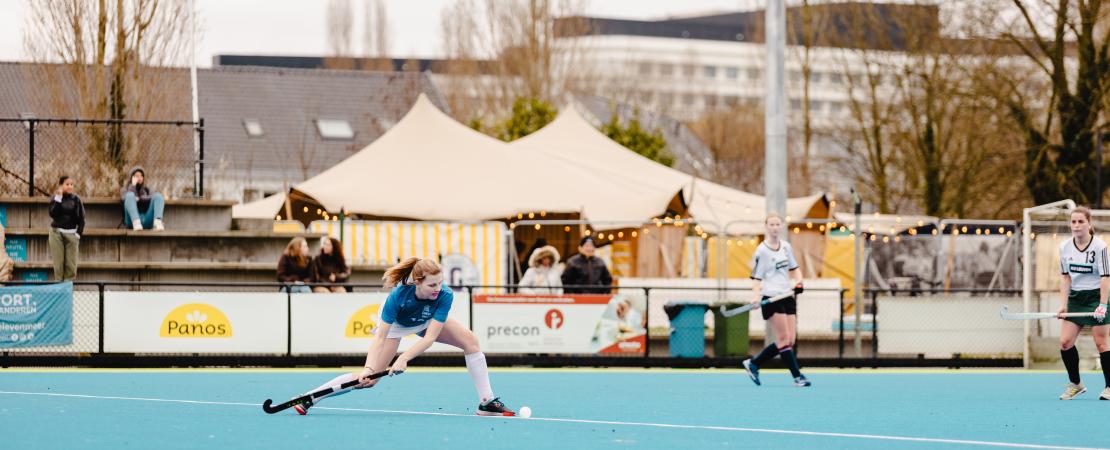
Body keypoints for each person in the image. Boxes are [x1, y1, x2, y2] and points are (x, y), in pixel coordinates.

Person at [288, 257, 516, 416]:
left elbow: (429, 338)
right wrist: (369, 368)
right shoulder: (398, 296)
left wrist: (404, 357)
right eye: (432, 284)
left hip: (425, 320)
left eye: (440, 282)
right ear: (417, 282)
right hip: (397, 325)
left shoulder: (443, 294)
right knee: (369, 381)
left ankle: (486, 401)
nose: (438, 288)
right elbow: (380, 338)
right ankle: (310, 397)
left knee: (471, 342)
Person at [742, 213, 809, 387]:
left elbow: (795, 269)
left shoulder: (786, 247)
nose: (774, 227)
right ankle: (797, 377)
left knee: (789, 340)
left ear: (781, 226)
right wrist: (756, 297)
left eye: (777, 224)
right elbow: (756, 278)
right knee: (784, 338)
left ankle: (753, 363)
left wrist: (799, 281)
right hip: (772, 298)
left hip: (787, 296)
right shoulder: (761, 251)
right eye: (771, 224)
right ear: (766, 226)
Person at [1055, 206, 1110, 400]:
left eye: (1081, 221)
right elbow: (1065, 278)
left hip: (1096, 297)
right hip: (1076, 299)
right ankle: (1076, 384)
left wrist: (1102, 305)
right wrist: (1063, 305)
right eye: (1073, 222)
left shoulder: (1100, 247)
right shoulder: (1064, 247)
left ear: (1089, 224)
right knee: (1065, 342)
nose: (1076, 225)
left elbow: (1105, 278)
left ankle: (1109, 387)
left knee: (1101, 343)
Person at [48, 176, 84, 281]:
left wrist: (78, 234)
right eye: (67, 184)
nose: (70, 186)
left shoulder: (76, 199)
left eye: (71, 184)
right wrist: (58, 199)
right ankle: (59, 290)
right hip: (56, 234)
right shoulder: (56, 198)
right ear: (61, 185)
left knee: (71, 265)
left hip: (72, 235)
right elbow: (53, 214)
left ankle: (68, 289)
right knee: (58, 265)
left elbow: (82, 218)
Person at [121, 166, 165, 231]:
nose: (140, 178)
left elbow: (153, 198)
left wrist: (139, 199)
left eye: (141, 176)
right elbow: (125, 199)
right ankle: (136, 221)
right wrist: (133, 186)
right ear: (132, 178)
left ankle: (158, 222)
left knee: (158, 196)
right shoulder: (125, 189)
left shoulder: (147, 190)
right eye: (137, 176)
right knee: (130, 196)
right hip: (131, 221)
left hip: (147, 219)